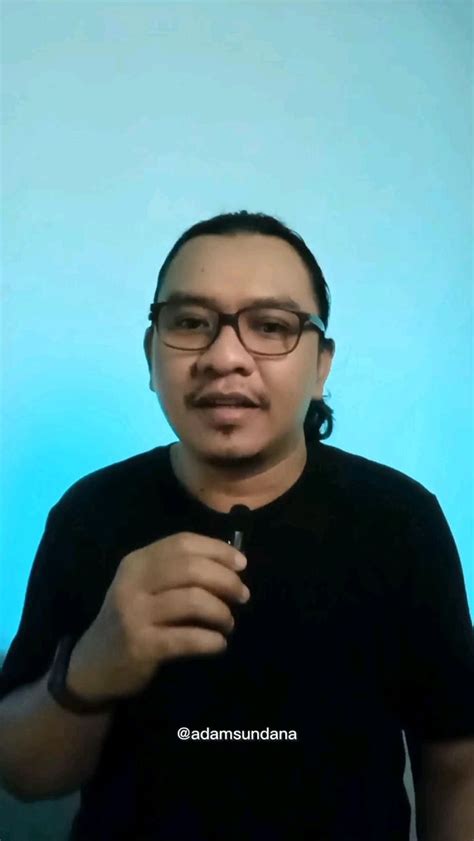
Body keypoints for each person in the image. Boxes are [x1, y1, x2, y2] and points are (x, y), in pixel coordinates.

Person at [0, 210, 473, 841]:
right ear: (151, 354)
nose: (225, 357)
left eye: (271, 326)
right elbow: (26, 776)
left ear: (321, 365)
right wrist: (93, 666)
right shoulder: (90, 514)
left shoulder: (402, 521)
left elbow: (455, 764)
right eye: (190, 323)